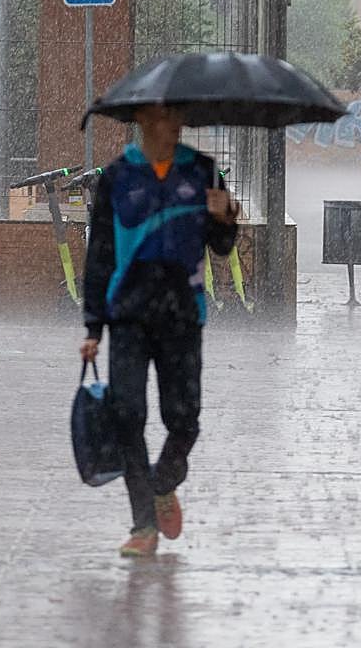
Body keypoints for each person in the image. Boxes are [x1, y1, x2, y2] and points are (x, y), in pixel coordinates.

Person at [79, 103, 238, 557]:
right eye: (168, 117)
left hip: (183, 317)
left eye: (180, 117)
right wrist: (94, 325)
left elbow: (222, 248)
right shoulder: (117, 177)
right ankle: (143, 526)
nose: (178, 125)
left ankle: (163, 482)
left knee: (184, 419)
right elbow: (101, 256)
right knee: (128, 417)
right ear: (145, 122)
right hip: (128, 316)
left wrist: (227, 219)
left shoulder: (203, 172)